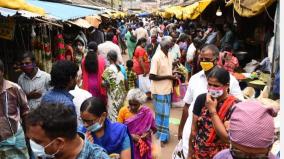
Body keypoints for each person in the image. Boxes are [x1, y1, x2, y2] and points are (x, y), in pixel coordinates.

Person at [178, 44, 244, 158]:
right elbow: (187, 108)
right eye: (201, 59)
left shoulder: (232, 85)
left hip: (219, 151)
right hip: (197, 144)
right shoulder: (195, 81)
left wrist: (213, 111)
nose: (203, 62)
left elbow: (228, 137)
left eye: (207, 60)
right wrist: (181, 129)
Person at [188, 66, 240, 158]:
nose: (212, 88)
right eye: (209, 84)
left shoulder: (235, 106)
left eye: (216, 86)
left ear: (226, 86)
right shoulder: (202, 99)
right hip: (198, 154)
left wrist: (212, 110)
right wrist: (190, 153)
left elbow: (227, 138)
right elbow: (193, 130)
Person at [26, 102, 110, 159]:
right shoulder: (50, 154)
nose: (33, 145)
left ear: (59, 143)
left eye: (37, 142)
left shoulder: (98, 157)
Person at [149, 36, 177, 146]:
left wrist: (174, 67)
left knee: (166, 114)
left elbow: (168, 67)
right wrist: (168, 77)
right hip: (159, 90)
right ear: (164, 46)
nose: (171, 47)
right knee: (161, 114)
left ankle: (163, 134)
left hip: (167, 89)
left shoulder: (169, 54)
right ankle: (161, 137)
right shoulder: (156, 57)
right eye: (170, 45)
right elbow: (152, 76)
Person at [0, 59, 30, 158]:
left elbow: (25, 109)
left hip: (16, 135)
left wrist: (27, 132)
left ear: (2, 71)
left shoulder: (14, 88)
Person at [117, 89, 156, 159]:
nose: (132, 107)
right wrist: (131, 136)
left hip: (143, 145)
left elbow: (153, 129)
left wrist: (148, 133)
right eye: (130, 104)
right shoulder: (123, 111)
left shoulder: (146, 112)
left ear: (140, 103)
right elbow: (118, 130)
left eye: (135, 105)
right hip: (127, 144)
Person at [102, 50, 126, 121]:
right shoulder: (121, 68)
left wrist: (104, 83)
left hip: (113, 98)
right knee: (121, 116)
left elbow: (103, 83)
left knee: (113, 117)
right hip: (121, 96)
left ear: (108, 58)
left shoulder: (108, 70)